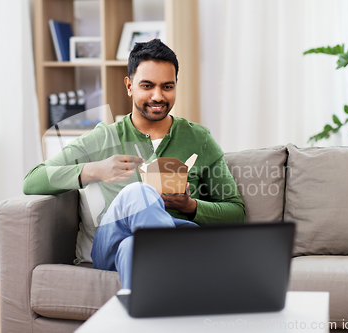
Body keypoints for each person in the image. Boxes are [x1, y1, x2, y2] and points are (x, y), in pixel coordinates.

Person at [23, 39, 245, 288]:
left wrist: (190, 206)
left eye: (167, 86)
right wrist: (95, 169)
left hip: (157, 241)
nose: (158, 96)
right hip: (111, 243)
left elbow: (236, 212)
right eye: (147, 86)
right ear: (129, 86)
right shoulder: (103, 137)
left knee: (133, 248)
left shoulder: (198, 139)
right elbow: (32, 180)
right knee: (139, 192)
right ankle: (178, 267)